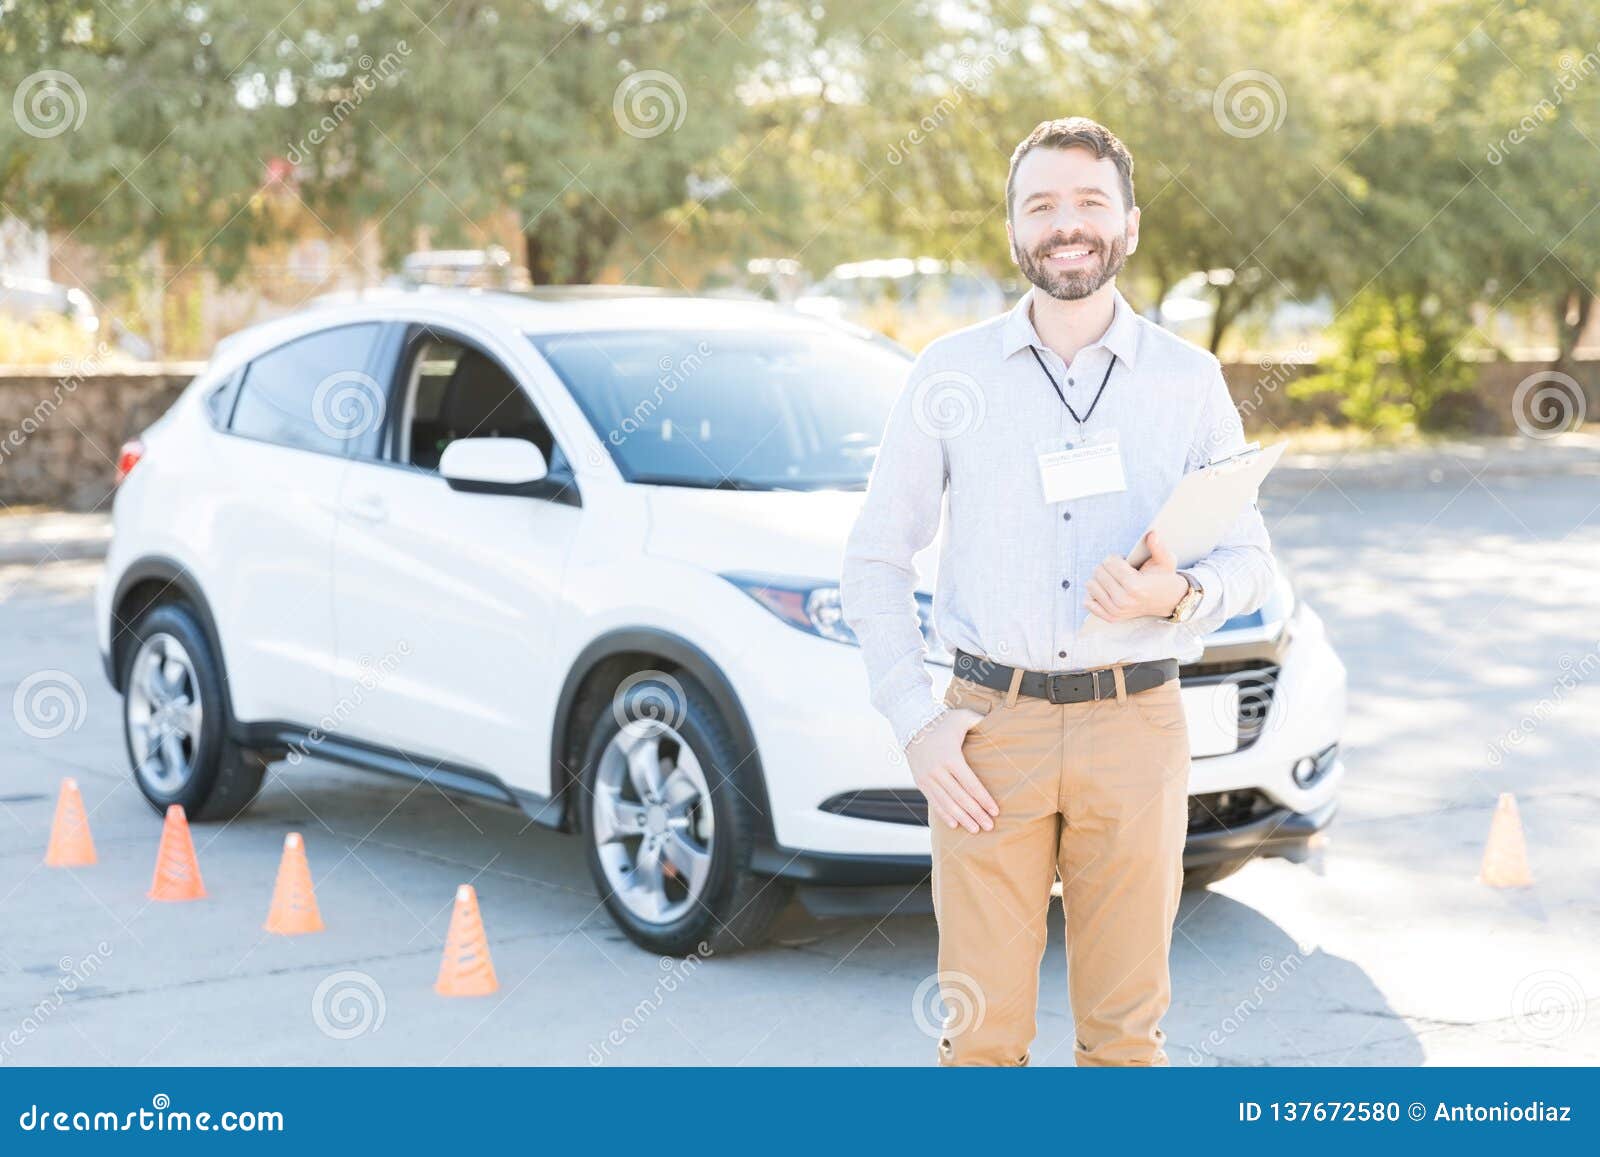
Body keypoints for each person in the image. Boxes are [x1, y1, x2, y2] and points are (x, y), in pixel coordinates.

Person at [840, 117, 1277, 1067]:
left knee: (1125, 1038)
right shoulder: (947, 374)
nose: (1065, 223)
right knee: (982, 1036)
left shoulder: (1188, 379)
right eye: (1040, 204)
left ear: (1127, 224)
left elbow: (1252, 562)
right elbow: (875, 559)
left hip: (1136, 725)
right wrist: (916, 720)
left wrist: (1174, 595)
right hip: (989, 733)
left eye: (1088, 202)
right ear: (1012, 229)